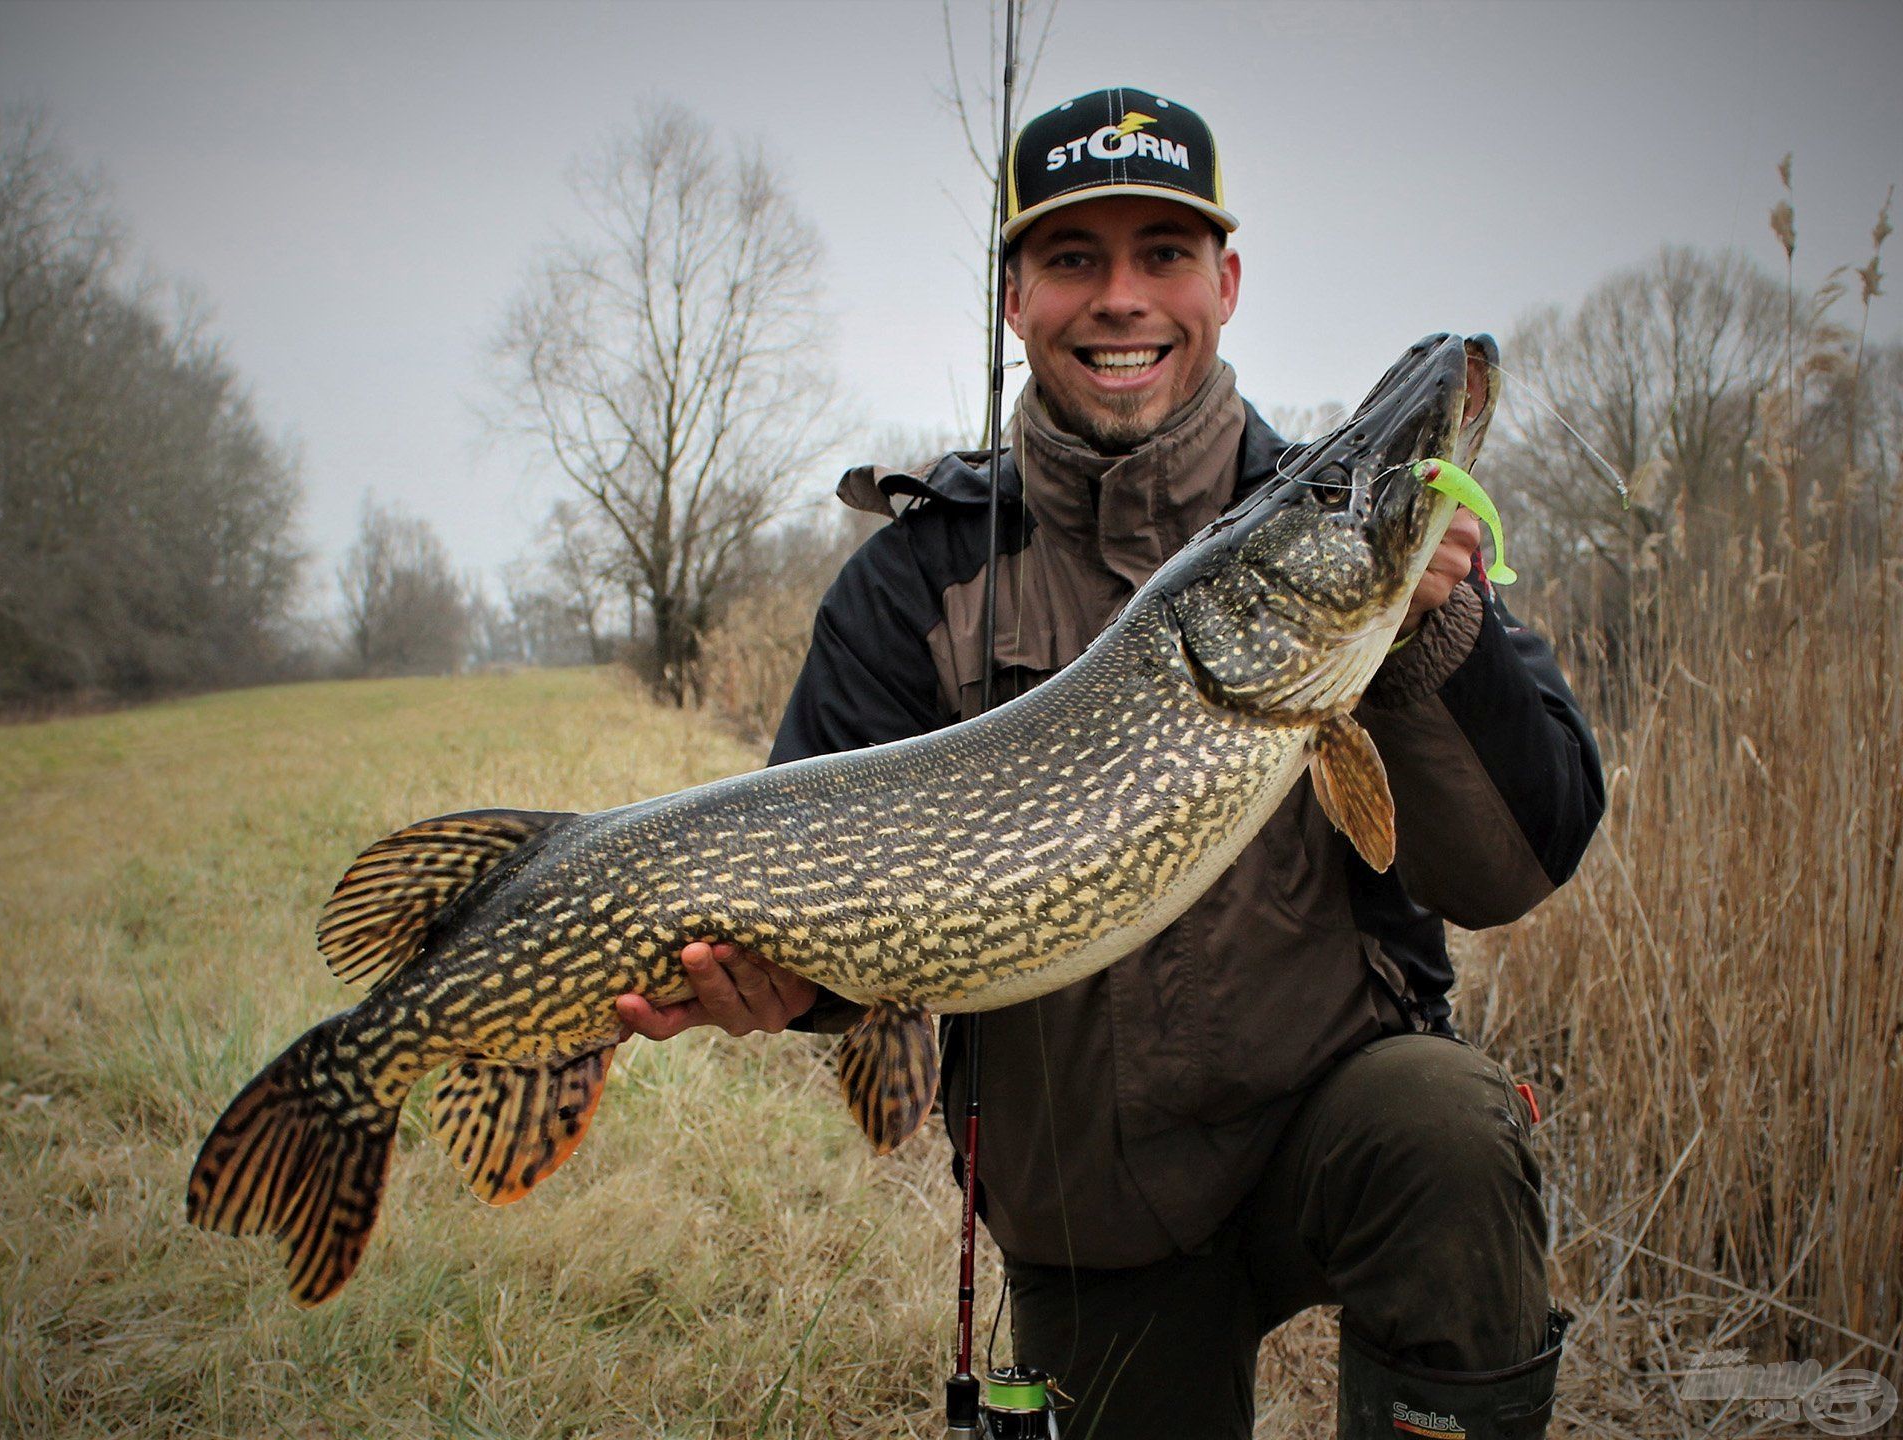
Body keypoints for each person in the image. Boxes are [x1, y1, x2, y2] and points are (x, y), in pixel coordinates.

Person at [616, 87, 1603, 1440]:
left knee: (1451, 1129)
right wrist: (784, 994)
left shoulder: (1343, 559)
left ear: (1226, 281)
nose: (1122, 297)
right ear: (1015, 296)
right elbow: (840, 942)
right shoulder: (918, 579)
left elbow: (1521, 860)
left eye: (1164, 254)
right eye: (1075, 258)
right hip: (1093, 1203)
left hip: (1340, 1129)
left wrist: (1436, 642)